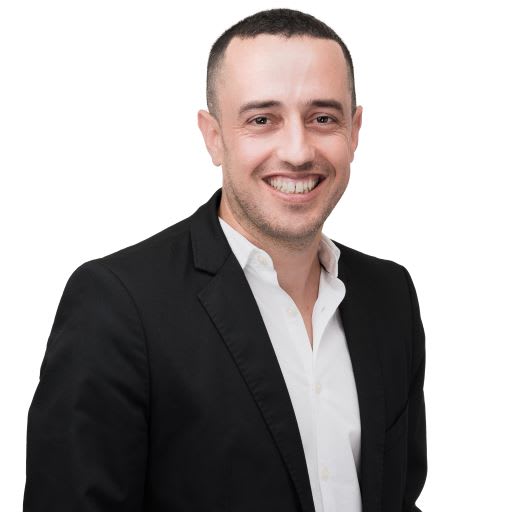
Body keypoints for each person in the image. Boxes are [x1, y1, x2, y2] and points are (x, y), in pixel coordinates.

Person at [23, 8, 427, 512]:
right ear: (213, 136)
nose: (298, 151)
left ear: (355, 130)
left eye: (323, 118)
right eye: (262, 120)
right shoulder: (118, 306)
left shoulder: (389, 296)